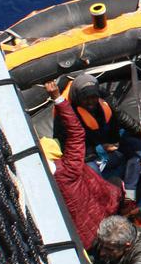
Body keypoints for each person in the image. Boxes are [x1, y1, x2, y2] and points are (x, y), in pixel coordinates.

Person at [39, 81, 130, 250]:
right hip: (104, 211)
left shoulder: (42, 187)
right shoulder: (69, 169)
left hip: (84, 239)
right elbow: (76, 132)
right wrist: (57, 98)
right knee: (114, 179)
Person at [55, 73, 141, 200]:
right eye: (86, 98)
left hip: (110, 146)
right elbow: (68, 149)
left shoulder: (105, 101)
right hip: (88, 156)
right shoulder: (66, 116)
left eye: (94, 97)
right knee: (91, 170)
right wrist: (99, 149)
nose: (90, 102)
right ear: (77, 97)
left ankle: (130, 194)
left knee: (136, 146)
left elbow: (121, 117)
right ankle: (107, 199)